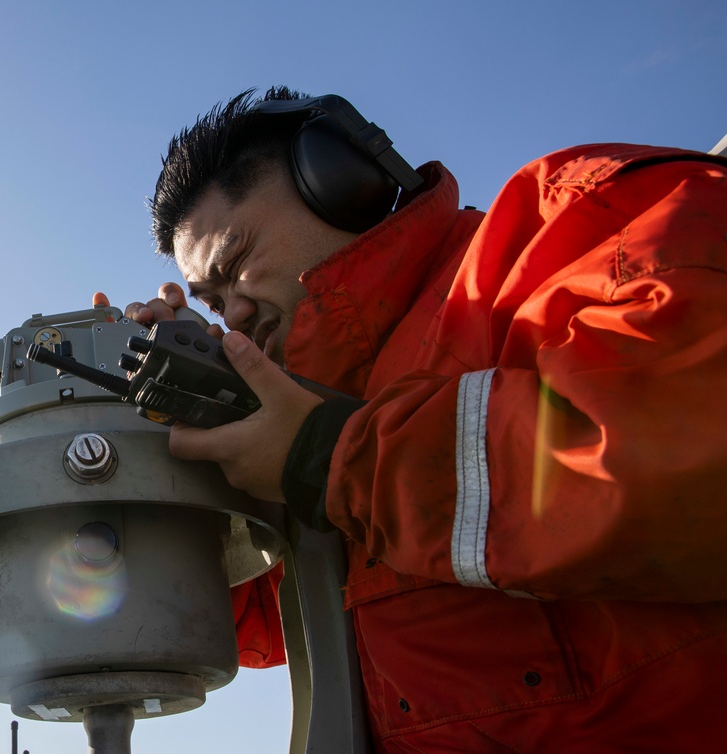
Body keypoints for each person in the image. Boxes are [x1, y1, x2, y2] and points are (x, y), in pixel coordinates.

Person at [102, 86, 727, 751]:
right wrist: (162, 457)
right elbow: (236, 612)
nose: (235, 313)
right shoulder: (310, 420)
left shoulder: (578, 220)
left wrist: (327, 454)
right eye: (212, 300)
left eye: (235, 266)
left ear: (340, 181)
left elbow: (676, 459)